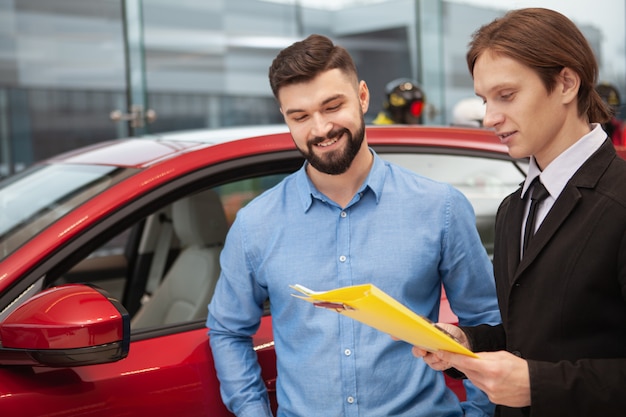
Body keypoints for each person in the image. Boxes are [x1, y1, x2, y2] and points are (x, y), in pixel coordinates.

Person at [207, 34, 501, 417]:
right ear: (286, 118)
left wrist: (480, 413)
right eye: (300, 116)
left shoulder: (440, 207)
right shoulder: (255, 223)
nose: (320, 128)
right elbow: (228, 331)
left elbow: (486, 322)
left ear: (362, 97)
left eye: (332, 106)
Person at [412, 8, 626, 417]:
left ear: (565, 82)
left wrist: (537, 385)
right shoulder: (516, 206)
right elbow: (529, 337)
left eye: (506, 95)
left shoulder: (620, 202)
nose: (489, 117)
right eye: (484, 100)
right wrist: (469, 341)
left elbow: (538, 369)